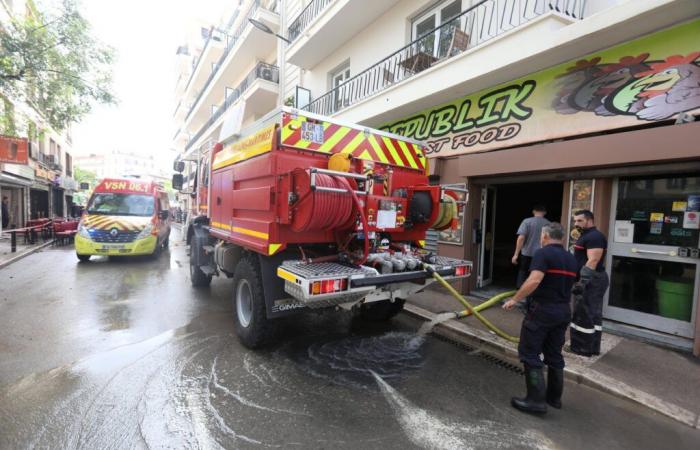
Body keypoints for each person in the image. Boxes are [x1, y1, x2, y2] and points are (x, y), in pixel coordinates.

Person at [503, 223, 577, 414]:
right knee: (554, 354)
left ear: (544, 236)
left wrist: (514, 299)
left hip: (543, 310)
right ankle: (554, 399)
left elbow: (535, 280)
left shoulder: (543, 254)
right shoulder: (570, 258)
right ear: (561, 238)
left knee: (529, 353)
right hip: (563, 311)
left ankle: (535, 401)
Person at [570, 209, 608, 356]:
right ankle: (592, 347)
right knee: (592, 313)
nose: (576, 223)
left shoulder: (594, 237)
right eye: (575, 221)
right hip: (592, 279)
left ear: (589, 220)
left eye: (579, 220)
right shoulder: (586, 235)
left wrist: (582, 281)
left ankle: (582, 348)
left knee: (583, 313)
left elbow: (593, 260)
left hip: (592, 280)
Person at [511, 205, 550, 312]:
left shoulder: (527, 221)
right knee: (536, 278)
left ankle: (520, 298)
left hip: (526, 254)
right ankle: (532, 303)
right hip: (541, 255)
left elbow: (521, 237)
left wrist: (516, 254)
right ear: (545, 212)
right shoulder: (548, 224)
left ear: (533, 211)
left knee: (523, 273)